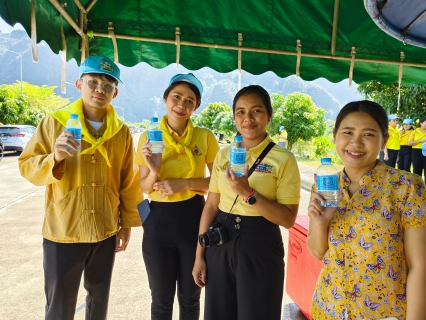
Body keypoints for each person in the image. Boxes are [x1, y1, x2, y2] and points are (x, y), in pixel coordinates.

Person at [18, 55, 143, 320]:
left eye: (108, 85)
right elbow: (27, 164)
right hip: (64, 230)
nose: (100, 89)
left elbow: (127, 179)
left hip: (105, 229)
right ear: (79, 84)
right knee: (60, 305)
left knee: (98, 300)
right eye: (93, 82)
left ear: (115, 92)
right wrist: (55, 158)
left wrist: (127, 223)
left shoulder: (120, 132)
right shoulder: (54, 122)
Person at [307, 101, 426, 319]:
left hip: (384, 313)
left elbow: (420, 265)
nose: (356, 142)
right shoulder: (324, 185)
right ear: (335, 136)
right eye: (347, 132)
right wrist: (322, 222)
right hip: (329, 308)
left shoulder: (406, 187)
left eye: (368, 134)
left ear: (384, 140)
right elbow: (317, 252)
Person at [192, 85, 301, 320]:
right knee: (218, 313)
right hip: (220, 241)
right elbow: (211, 206)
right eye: (240, 112)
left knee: (257, 313)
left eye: (256, 111)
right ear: (234, 117)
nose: (248, 118)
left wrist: (248, 193)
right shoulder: (224, 155)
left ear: (269, 116)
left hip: (260, 244)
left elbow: (288, 219)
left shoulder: (283, 159)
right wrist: (199, 256)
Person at [136, 73, 219, 320]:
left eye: (190, 101)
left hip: (195, 218)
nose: (181, 105)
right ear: (165, 99)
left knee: (191, 298)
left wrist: (183, 184)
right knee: (160, 300)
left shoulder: (204, 137)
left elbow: (217, 185)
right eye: (176, 97)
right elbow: (145, 187)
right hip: (158, 220)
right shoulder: (149, 136)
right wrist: (154, 170)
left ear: (196, 106)